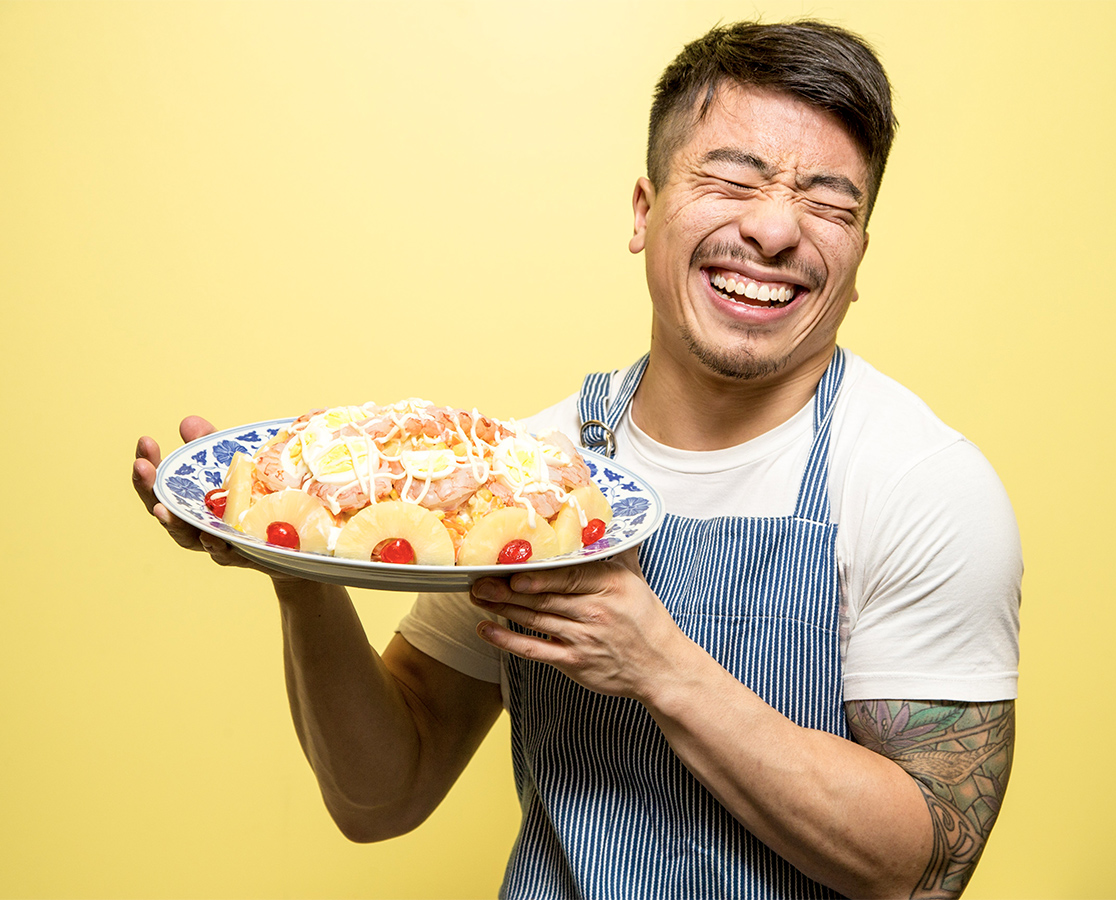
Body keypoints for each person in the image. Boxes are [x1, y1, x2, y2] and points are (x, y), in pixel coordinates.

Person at [133, 19, 1020, 900]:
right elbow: (383, 795)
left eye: (830, 204)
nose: (777, 230)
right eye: (732, 179)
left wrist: (662, 668)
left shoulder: (921, 483)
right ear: (644, 211)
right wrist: (300, 568)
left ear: (859, 256)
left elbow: (927, 868)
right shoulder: (526, 479)